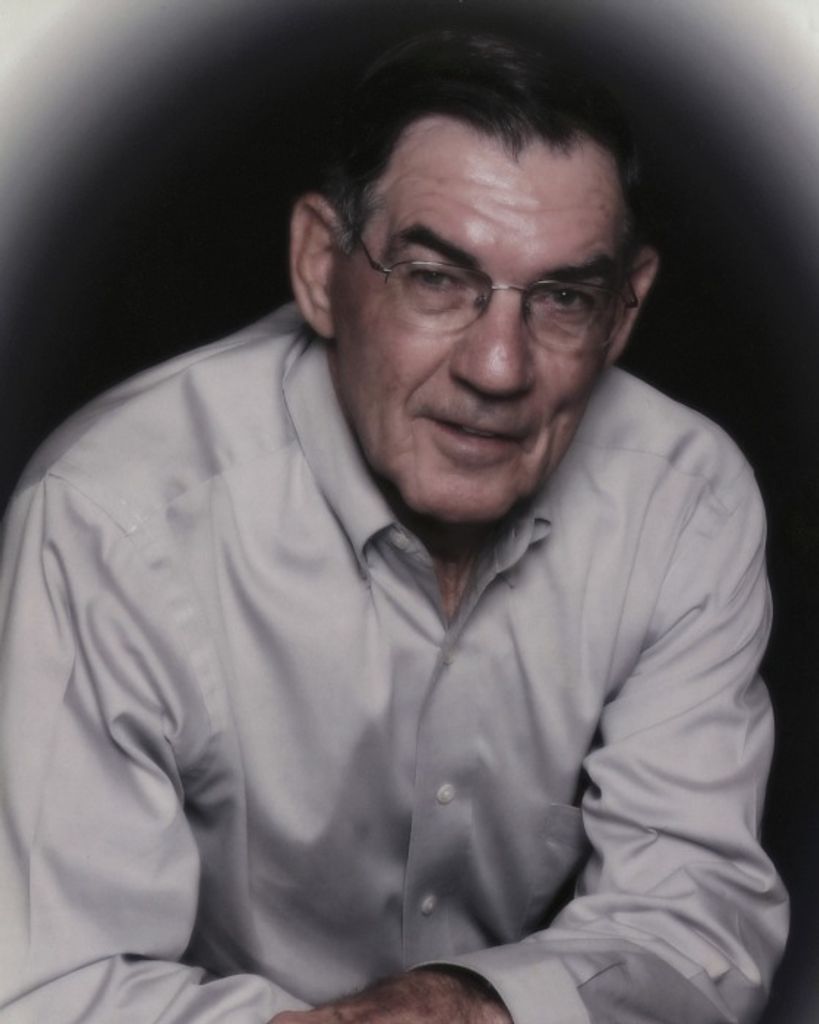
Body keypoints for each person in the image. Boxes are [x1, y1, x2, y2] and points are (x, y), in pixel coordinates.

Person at [0, 30, 788, 1024]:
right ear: (320, 267)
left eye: (562, 298)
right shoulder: (110, 518)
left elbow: (697, 919)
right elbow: (50, 988)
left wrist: (469, 1007)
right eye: (435, 277)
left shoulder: (685, 501)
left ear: (622, 315)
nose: (497, 368)